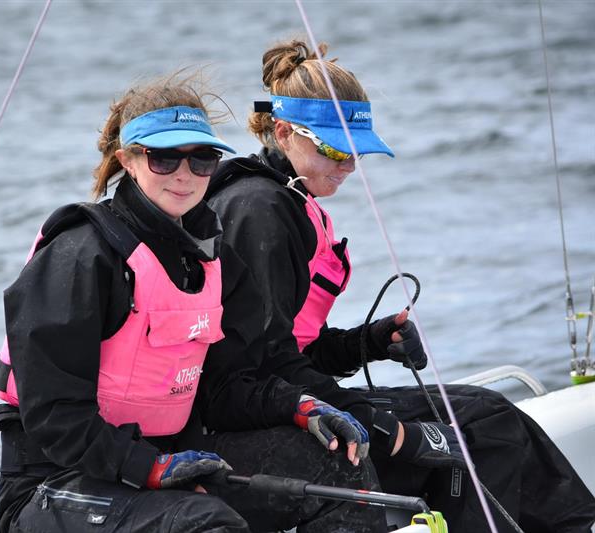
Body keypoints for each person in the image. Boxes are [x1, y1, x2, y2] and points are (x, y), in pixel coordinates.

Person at [205, 39, 595, 532]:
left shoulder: (286, 200)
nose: (348, 166)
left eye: (357, 153)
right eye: (335, 150)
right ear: (283, 132)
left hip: (279, 394)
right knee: (482, 429)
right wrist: (373, 421)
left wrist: (369, 342)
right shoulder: (261, 212)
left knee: (488, 413)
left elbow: (286, 348)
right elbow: (250, 368)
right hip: (248, 419)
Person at [0, 72, 389, 533]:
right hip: (56, 481)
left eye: (202, 159)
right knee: (203, 524)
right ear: (129, 160)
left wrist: (301, 406)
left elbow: (224, 388)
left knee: (341, 470)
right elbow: (54, 417)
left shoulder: (217, 263)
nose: (185, 174)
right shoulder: (81, 256)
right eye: (163, 159)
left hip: (170, 460)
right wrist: (149, 469)